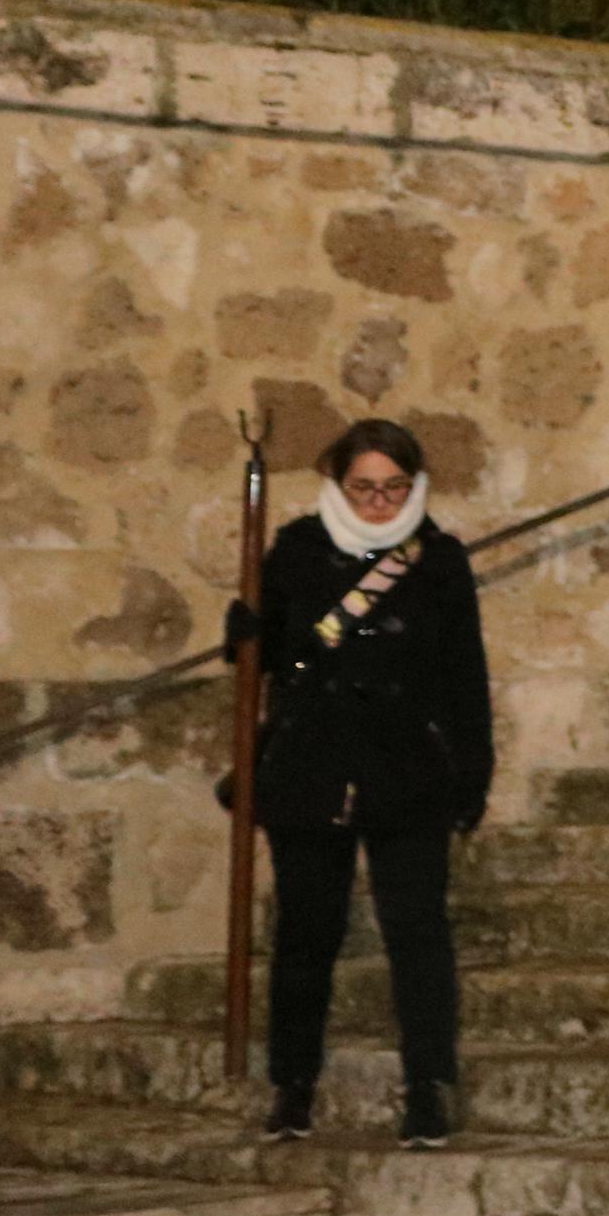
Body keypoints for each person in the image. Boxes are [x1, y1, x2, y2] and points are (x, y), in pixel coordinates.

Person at [230, 420, 490, 1150]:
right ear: (338, 485)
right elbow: (273, 657)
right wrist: (245, 632)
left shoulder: (438, 561)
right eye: (364, 488)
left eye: (394, 488)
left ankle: (428, 1088)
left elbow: (465, 678)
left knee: (418, 933)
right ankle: (293, 1085)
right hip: (312, 766)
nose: (379, 502)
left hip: (407, 769)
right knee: (306, 933)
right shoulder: (295, 551)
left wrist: (472, 773)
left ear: (415, 486)